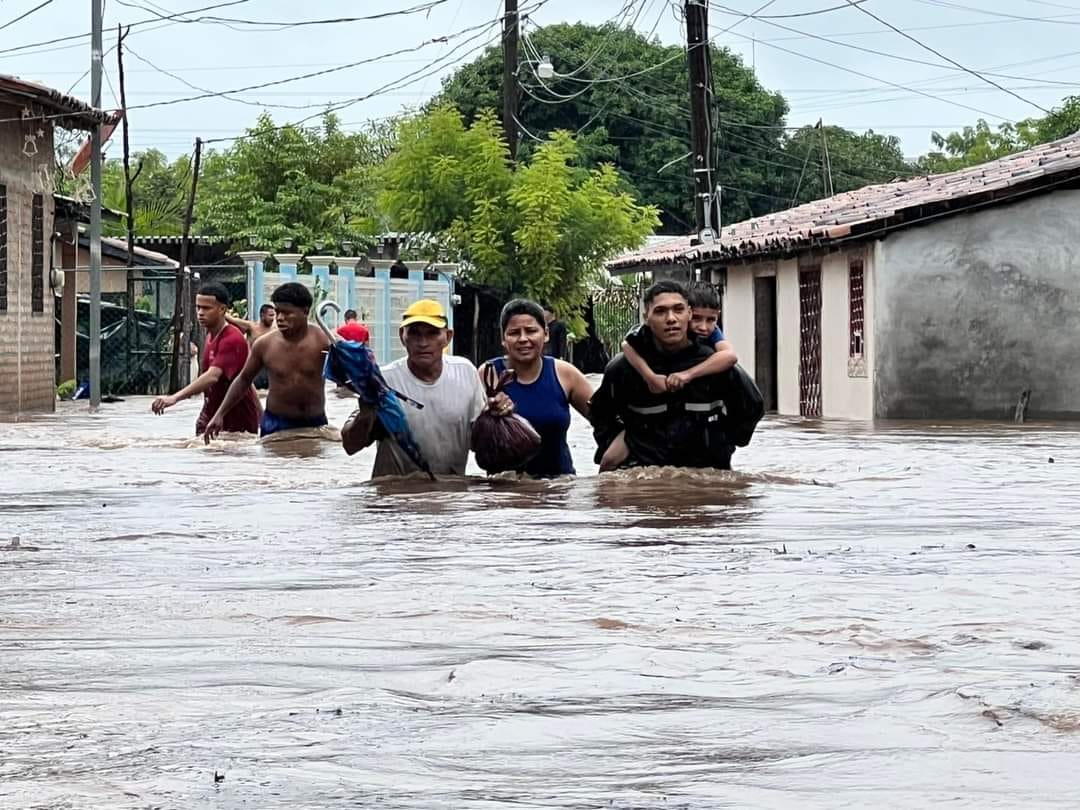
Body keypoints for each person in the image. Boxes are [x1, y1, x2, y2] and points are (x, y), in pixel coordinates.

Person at [590, 280, 739, 472]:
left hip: (704, 470)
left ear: (688, 313)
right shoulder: (623, 367)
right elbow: (600, 413)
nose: (671, 319)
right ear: (646, 317)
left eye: (678, 309)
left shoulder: (715, 363)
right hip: (643, 473)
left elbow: (749, 408)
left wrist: (722, 445)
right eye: (660, 311)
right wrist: (624, 443)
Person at [340, 299, 493, 477]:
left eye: (432, 333)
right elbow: (350, 446)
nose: (423, 343)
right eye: (415, 334)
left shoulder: (466, 372)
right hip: (395, 497)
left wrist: (498, 414)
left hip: (449, 496)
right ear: (402, 337)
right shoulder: (382, 380)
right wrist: (366, 414)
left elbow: (481, 445)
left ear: (448, 337)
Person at [203, 282, 330, 441]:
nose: (280, 318)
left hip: (316, 423)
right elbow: (243, 380)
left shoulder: (324, 341)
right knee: (272, 465)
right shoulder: (265, 344)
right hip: (276, 423)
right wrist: (219, 414)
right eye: (277, 312)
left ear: (305, 311)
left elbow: (350, 376)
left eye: (287, 313)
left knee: (315, 464)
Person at [481, 299, 592, 477]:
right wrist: (489, 411)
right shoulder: (489, 374)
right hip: (504, 493)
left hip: (558, 489)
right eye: (514, 333)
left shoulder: (565, 374)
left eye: (531, 331)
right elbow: (468, 436)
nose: (523, 339)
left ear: (546, 334)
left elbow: (606, 421)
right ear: (503, 339)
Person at [151, 282, 259, 436]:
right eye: (198, 307)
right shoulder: (210, 336)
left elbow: (213, 376)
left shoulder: (232, 339)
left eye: (207, 308)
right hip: (211, 412)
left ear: (222, 309)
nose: (200, 313)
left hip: (235, 419)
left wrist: (174, 397)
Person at [621, 281, 737, 395]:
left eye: (711, 320)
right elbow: (627, 345)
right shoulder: (642, 341)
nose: (703, 327)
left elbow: (730, 356)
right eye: (696, 318)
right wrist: (650, 377)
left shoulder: (713, 334)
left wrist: (688, 374)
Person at [225, 304, 276, 390]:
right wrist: (219, 308)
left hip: (269, 368)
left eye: (273, 315)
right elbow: (232, 320)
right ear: (262, 316)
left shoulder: (275, 330)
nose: (272, 318)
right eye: (270, 315)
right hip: (254, 368)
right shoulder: (252, 327)